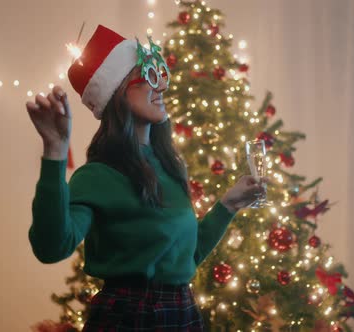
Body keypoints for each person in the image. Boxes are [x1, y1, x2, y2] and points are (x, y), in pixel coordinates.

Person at [26, 25, 267, 331]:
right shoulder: (97, 176)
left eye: (161, 74)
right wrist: (55, 150)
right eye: (149, 77)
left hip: (182, 314)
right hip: (129, 318)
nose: (162, 87)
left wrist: (227, 207)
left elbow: (185, 260)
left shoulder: (170, 166)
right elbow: (51, 247)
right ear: (117, 95)